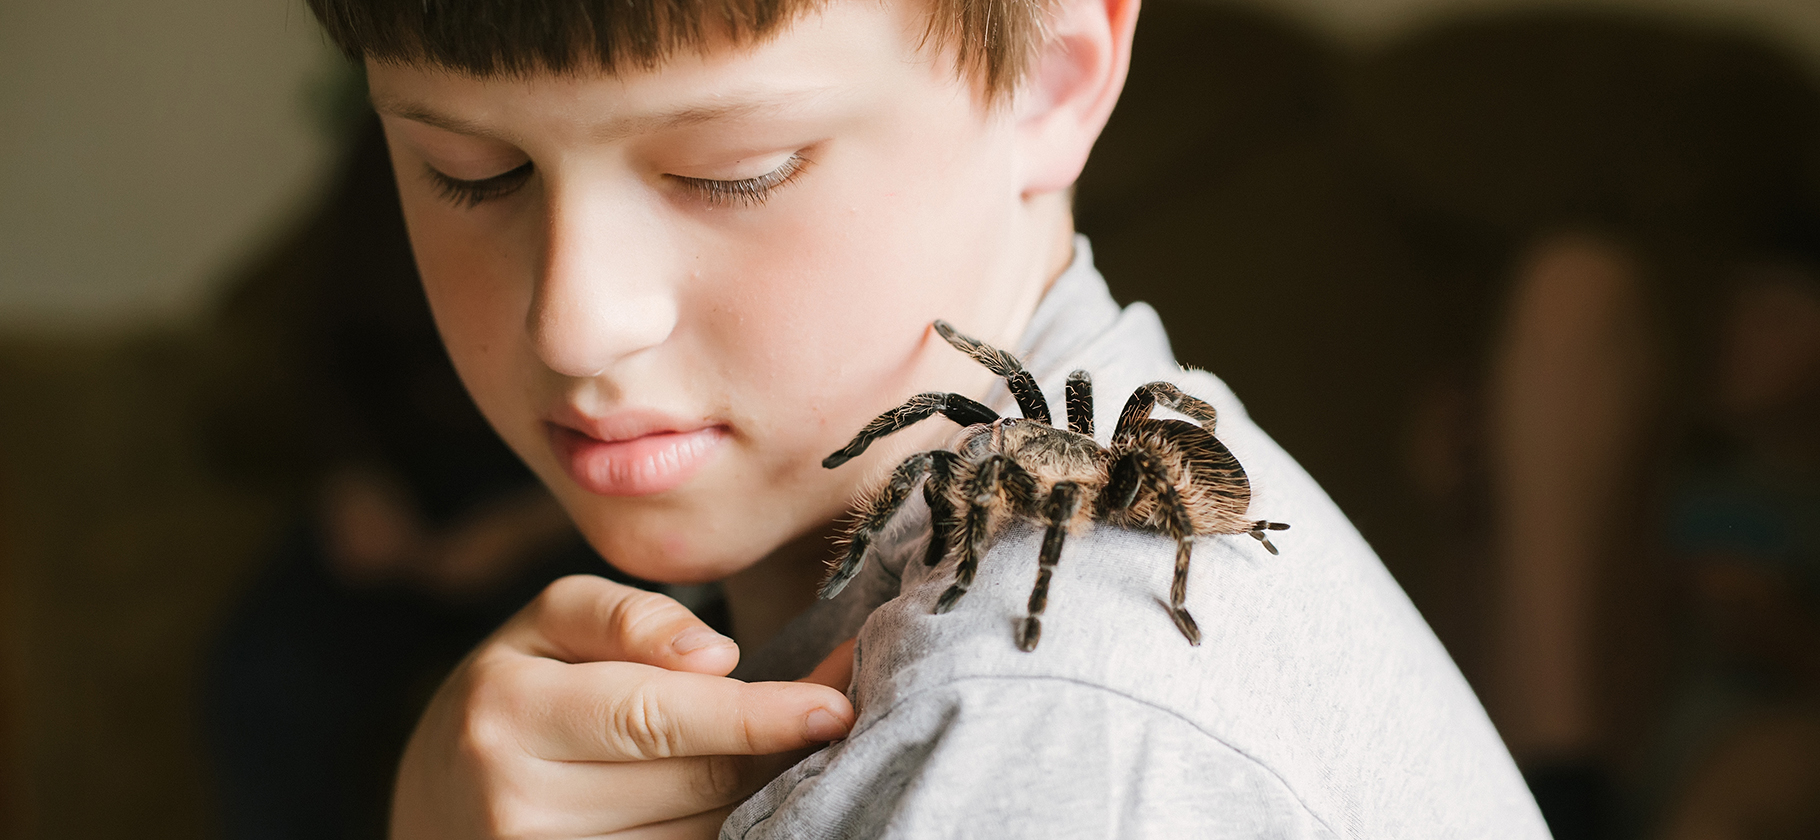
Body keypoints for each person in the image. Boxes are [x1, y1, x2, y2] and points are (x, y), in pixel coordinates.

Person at [297, 0, 1550, 836]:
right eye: (472, 171)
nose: (573, 321)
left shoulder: (1024, 733)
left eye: (728, 167)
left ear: (1054, 76)